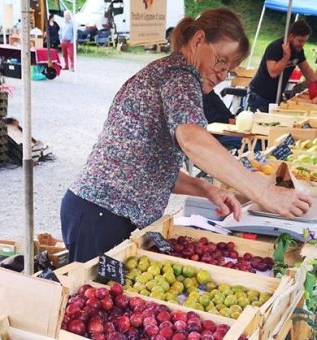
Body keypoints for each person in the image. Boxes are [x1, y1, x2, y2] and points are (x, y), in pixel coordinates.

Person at [60, 9, 312, 263]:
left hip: (99, 213)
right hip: (99, 213)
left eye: (229, 68)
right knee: (87, 295)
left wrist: (207, 188)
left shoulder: (171, 72)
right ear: (198, 40)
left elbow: (154, 168)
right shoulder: (179, 77)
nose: (223, 74)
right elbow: (193, 140)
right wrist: (260, 190)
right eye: (221, 61)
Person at [248, 20, 317, 113]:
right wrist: (286, 57)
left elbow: (309, 74)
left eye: (305, 41)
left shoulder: (298, 51)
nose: (302, 44)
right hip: (259, 96)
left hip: (275, 97)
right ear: (291, 36)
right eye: (300, 40)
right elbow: (273, 72)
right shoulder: (275, 47)